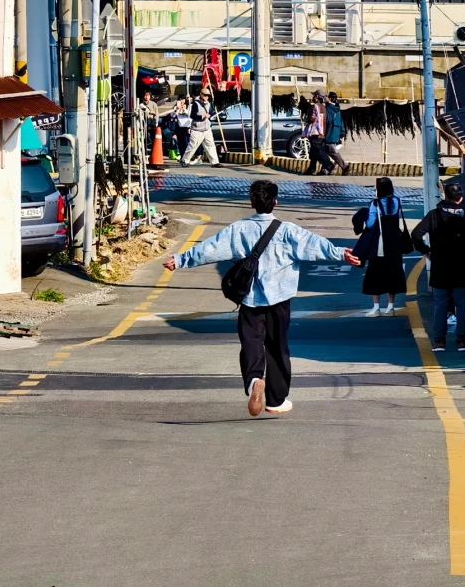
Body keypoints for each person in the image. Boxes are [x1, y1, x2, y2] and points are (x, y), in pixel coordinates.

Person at [162, 179, 360, 416]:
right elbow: (313, 245)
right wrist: (339, 253)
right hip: (280, 300)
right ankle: (276, 400)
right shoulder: (287, 231)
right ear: (275, 202)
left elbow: (211, 248)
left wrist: (181, 260)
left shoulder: (238, 230)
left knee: (251, 344)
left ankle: (254, 380)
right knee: (277, 348)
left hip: (250, 299)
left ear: (252, 202)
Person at [410, 179, 465, 352]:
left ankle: (439, 341)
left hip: (440, 268)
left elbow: (416, 235)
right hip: (463, 269)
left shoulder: (434, 215)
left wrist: (426, 251)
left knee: (441, 305)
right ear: (460, 198)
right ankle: (462, 341)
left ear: (445, 196)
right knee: (462, 305)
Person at [352, 176, 408, 316]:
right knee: (393, 274)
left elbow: (370, 224)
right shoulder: (397, 201)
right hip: (395, 244)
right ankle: (391, 307)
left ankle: (376, 308)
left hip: (380, 246)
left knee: (375, 275)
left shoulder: (375, 204)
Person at [182, 89, 219, 166]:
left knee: (210, 146)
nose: (206, 97)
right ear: (201, 95)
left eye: (208, 96)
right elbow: (192, 115)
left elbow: (211, 112)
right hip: (197, 129)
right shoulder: (195, 103)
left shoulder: (209, 103)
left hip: (207, 128)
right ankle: (185, 161)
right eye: (205, 95)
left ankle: (215, 162)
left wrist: (210, 115)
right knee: (192, 146)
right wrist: (202, 116)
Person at [306, 91, 336, 175]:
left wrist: (307, 118)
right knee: (313, 151)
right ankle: (311, 169)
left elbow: (312, 118)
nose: (313, 97)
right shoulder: (324, 107)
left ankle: (329, 165)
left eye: (314, 96)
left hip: (315, 132)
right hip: (322, 132)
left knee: (318, 150)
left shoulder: (315, 106)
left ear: (317, 97)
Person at [325, 91, 350, 175]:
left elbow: (327, 120)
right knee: (325, 151)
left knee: (332, 151)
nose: (325, 98)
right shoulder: (337, 109)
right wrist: (342, 134)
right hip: (336, 132)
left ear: (330, 99)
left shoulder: (328, 108)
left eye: (327, 96)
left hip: (329, 132)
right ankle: (325, 169)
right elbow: (341, 122)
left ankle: (345, 166)